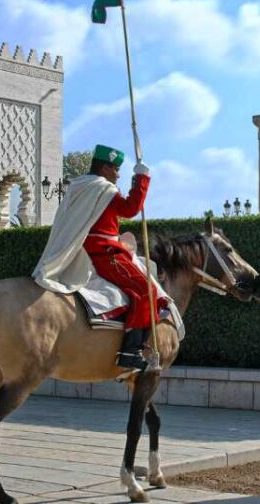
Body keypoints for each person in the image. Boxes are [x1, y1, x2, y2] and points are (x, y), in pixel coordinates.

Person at [33, 144, 167, 375]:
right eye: (116, 170)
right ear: (105, 168)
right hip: (104, 251)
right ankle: (129, 352)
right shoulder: (104, 189)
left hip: (84, 247)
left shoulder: (78, 186)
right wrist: (141, 179)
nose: (117, 175)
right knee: (146, 290)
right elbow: (130, 209)